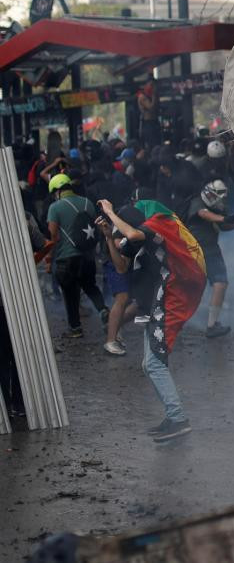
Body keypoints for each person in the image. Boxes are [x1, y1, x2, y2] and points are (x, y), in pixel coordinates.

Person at [98, 198, 206, 442]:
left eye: (119, 230)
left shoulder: (153, 228)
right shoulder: (137, 237)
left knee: (155, 365)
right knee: (150, 364)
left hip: (167, 302)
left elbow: (135, 234)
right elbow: (122, 266)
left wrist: (110, 211)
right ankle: (173, 416)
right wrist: (107, 237)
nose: (119, 236)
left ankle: (178, 419)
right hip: (153, 305)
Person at [186, 180, 234, 338]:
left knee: (219, 283)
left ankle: (211, 324)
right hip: (200, 248)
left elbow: (223, 226)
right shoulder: (198, 202)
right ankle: (210, 325)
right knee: (217, 283)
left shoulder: (217, 207)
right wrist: (223, 219)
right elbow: (204, 214)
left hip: (209, 248)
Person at [45, 173, 108, 338]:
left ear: (57, 191)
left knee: (70, 293)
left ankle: (75, 328)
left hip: (67, 258)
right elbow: (98, 228)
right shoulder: (87, 202)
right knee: (90, 286)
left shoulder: (55, 207)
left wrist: (49, 259)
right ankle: (103, 310)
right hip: (87, 257)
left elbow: (52, 237)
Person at [137, 78, 161, 149]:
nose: (153, 87)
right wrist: (154, 95)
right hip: (148, 123)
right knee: (151, 144)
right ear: (146, 85)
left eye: (154, 85)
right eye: (151, 85)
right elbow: (150, 107)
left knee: (157, 143)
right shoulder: (142, 96)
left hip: (154, 121)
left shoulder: (152, 96)